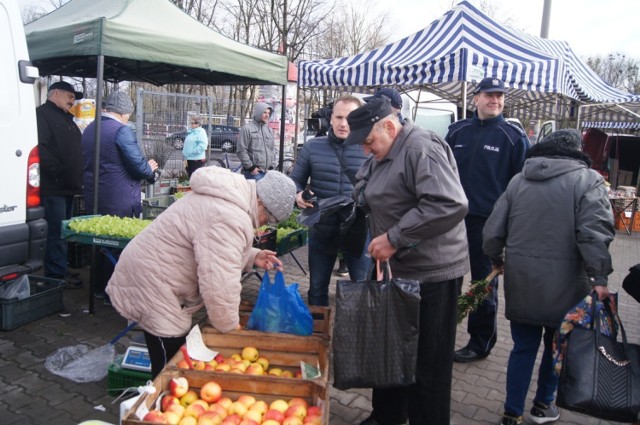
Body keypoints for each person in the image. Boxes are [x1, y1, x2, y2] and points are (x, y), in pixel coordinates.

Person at [347, 97, 470, 425]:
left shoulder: (421, 148)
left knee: (427, 365)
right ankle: (387, 415)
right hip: (394, 270)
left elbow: (449, 204)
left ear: (389, 125)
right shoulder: (383, 149)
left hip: (431, 274)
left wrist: (394, 238)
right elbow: (365, 181)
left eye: (369, 142)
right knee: (390, 348)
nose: (365, 150)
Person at [106, 168, 297, 378]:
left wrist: (252, 256)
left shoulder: (230, 199)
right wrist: (231, 332)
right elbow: (219, 286)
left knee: (173, 350)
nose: (263, 225)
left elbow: (212, 246)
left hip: (154, 269)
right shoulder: (230, 215)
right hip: (152, 279)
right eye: (267, 219)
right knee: (169, 361)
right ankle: (156, 398)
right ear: (261, 201)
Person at [482, 129, 614, 425]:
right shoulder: (589, 180)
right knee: (557, 347)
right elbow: (594, 233)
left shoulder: (518, 181)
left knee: (523, 347)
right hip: (568, 283)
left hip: (522, 279)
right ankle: (543, 406)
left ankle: (511, 412)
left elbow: (493, 231)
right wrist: (600, 278)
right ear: (577, 152)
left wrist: (495, 258)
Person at [446, 77, 530, 363]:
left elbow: (522, 187)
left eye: (499, 96)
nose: (495, 100)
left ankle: (479, 343)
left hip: (489, 225)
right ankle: (442, 333)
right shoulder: (457, 132)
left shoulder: (513, 137)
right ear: (476, 98)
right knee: (449, 279)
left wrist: (510, 228)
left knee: (483, 284)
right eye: (489, 95)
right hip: (452, 221)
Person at [289, 95, 370, 306]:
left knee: (362, 287)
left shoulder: (369, 148)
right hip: (322, 227)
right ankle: (316, 333)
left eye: (350, 118)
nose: (343, 123)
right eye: (339, 117)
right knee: (317, 288)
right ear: (331, 118)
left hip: (359, 230)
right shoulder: (312, 147)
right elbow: (295, 181)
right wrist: (298, 195)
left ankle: (356, 335)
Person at [81, 91, 158, 305]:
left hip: (94, 194)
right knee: (116, 245)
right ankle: (112, 294)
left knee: (97, 242)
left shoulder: (89, 128)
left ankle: (97, 288)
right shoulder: (121, 131)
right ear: (125, 112)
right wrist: (149, 168)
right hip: (119, 197)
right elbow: (138, 167)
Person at [36, 81, 85, 289]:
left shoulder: (66, 118)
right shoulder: (42, 115)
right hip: (54, 185)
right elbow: (40, 147)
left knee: (63, 230)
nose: (72, 101)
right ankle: (55, 274)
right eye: (69, 96)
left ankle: (61, 267)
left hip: (68, 185)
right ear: (55, 93)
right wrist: (58, 170)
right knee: (56, 231)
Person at [237, 102, 275, 180]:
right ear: (258, 112)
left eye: (268, 113)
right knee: (253, 192)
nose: (267, 115)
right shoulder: (247, 129)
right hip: (253, 173)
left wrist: (272, 166)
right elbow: (241, 151)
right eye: (264, 112)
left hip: (267, 173)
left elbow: (273, 150)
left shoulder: (269, 130)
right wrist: (251, 168)